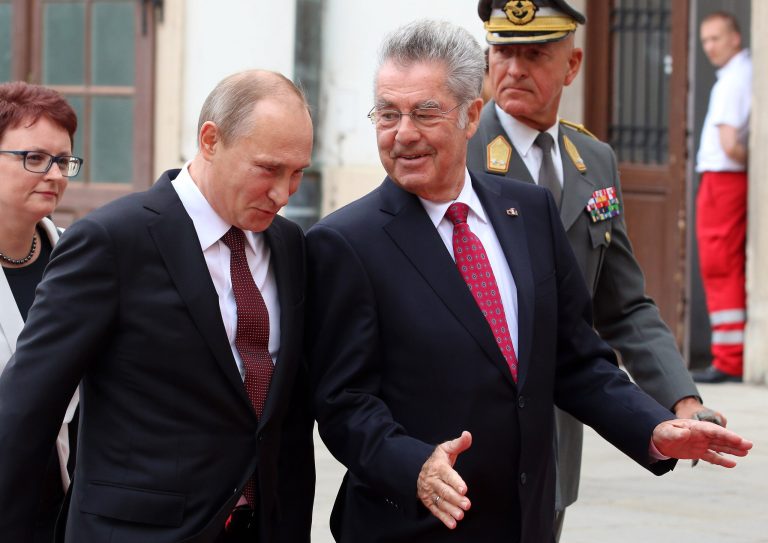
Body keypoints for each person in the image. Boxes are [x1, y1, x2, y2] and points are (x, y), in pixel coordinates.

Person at [306, 19, 751, 543]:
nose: (403, 133)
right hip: (414, 524)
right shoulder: (345, 242)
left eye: (425, 113)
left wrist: (652, 428)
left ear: (472, 115)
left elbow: (574, 359)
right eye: (387, 114)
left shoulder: (528, 211)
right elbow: (343, 403)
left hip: (525, 518)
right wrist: (415, 466)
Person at [0, 70, 315, 543]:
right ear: (210, 140)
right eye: (269, 169)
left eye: (298, 173)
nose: (283, 193)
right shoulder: (111, 241)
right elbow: (27, 409)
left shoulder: (290, 245)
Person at [466, 0, 725, 537]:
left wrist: (684, 401)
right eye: (503, 52)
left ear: (572, 64)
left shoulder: (592, 159)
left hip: (559, 435)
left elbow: (622, 304)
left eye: (535, 54)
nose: (513, 69)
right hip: (473, 438)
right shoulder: (459, 152)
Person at [0, 81, 81, 542]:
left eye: (63, 161)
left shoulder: (81, 258)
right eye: (34, 158)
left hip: (71, 509)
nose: (54, 174)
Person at [690, 12, 751, 384]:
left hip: (723, 179)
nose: (710, 47)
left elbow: (730, 144)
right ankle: (730, 355)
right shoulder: (739, 74)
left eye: (716, 38)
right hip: (726, 179)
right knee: (725, 263)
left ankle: (729, 359)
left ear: (735, 38)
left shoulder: (734, 79)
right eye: (705, 41)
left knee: (719, 263)